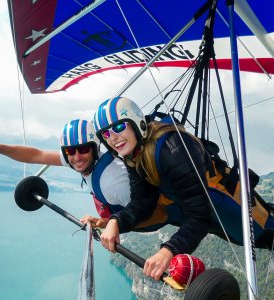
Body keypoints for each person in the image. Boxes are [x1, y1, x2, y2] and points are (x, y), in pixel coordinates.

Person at [92, 96, 274, 281]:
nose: (113, 138)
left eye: (119, 127)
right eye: (106, 134)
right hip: (203, 212)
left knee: (267, 237)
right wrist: (116, 221)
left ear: (136, 122)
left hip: (226, 204)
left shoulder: (173, 150)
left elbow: (200, 217)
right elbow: (143, 201)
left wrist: (169, 250)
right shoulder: (134, 154)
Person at [0, 119, 182, 230]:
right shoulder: (80, 159)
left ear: (93, 148)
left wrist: (109, 224)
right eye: (71, 151)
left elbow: (159, 213)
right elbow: (36, 155)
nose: (77, 157)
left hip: (174, 212)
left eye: (82, 149)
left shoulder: (112, 181)